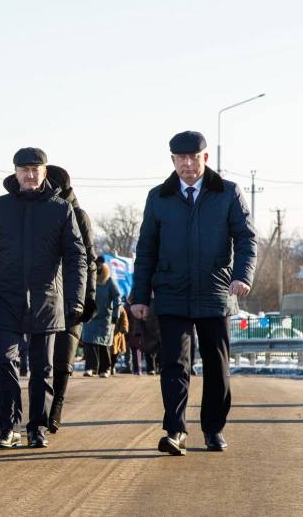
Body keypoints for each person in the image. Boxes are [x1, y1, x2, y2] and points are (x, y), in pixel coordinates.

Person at [130, 131, 256, 455]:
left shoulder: (227, 193)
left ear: (205, 158)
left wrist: (242, 276)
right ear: (172, 160)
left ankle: (213, 428)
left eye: (194, 157)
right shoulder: (159, 197)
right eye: (181, 158)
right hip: (171, 292)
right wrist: (140, 296)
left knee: (217, 365)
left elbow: (246, 238)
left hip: (215, 291)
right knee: (174, 363)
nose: (188, 164)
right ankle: (176, 430)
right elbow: (146, 250)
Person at [0, 147, 87, 450]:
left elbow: (77, 257)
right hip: (6, 298)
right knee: (4, 361)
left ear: (45, 171)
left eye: (36, 169)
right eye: (24, 170)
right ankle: (9, 428)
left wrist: (76, 299)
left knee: (42, 368)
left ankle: (37, 428)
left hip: (47, 300)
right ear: (15, 172)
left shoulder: (61, 209)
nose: (30, 175)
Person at [45, 165, 98, 434]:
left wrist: (89, 297)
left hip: (72, 295)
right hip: (45, 295)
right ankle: (43, 408)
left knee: (64, 356)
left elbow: (90, 259)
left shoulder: (78, 215)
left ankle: (56, 407)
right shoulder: (40, 213)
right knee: (45, 357)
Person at [81, 262, 122, 378]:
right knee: (89, 343)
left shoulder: (110, 281)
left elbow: (117, 297)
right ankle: (90, 368)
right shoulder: (90, 280)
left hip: (105, 318)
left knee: (103, 345)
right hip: (90, 316)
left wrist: (116, 314)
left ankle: (105, 369)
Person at [110, 303, 129, 375]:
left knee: (114, 352)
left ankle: (112, 366)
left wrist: (124, 328)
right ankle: (106, 367)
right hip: (105, 331)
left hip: (116, 333)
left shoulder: (120, 307)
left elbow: (124, 319)